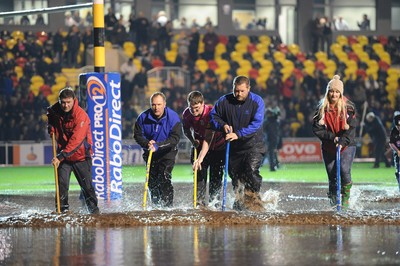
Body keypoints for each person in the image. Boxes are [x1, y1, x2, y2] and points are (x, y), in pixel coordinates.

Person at [210, 75, 266, 212]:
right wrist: (222, 126)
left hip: (253, 145)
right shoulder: (224, 101)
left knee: (251, 171)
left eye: (242, 91)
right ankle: (240, 202)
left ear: (248, 89)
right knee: (236, 178)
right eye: (236, 91)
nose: (238, 94)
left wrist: (238, 134)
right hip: (234, 148)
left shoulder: (257, 101)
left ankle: (253, 199)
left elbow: (256, 124)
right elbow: (213, 117)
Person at [46, 87, 99, 214]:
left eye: (68, 102)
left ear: (73, 100)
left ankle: (94, 213)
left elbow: (76, 140)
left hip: (81, 156)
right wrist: (51, 126)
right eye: (63, 102)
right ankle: (62, 212)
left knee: (87, 188)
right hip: (64, 157)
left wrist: (60, 156)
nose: (65, 105)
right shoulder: (54, 111)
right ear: (59, 101)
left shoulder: (81, 116)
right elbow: (50, 117)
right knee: (62, 185)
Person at [312, 75, 357, 210]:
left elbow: (352, 128)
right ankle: (333, 201)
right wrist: (332, 137)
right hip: (329, 145)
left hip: (347, 144)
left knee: (343, 170)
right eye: (332, 91)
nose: (334, 94)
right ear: (328, 92)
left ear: (341, 93)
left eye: (337, 92)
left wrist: (342, 141)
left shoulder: (348, 107)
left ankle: (346, 199)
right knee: (332, 175)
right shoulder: (321, 107)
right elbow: (317, 129)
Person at [133, 92, 181, 207]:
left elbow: (174, 139)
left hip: (167, 152)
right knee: (152, 182)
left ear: (164, 104)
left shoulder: (173, 117)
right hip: (150, 152)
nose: (156, 107)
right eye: (153, 105)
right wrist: (147, 143)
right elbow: (137, 135)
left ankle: (168, 207)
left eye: (159, 104)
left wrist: (158, 145)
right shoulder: (142, 117)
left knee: (164, 177)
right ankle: (156, 206)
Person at [182, 91, 225, 207]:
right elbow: (185, 130)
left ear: (202, 104)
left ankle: (214, 204)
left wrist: (200, 158)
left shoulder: (211, 113)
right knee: (199, 175)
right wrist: (192, 141)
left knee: (216, 177)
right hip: (200, 146)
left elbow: (208, 138)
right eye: (191, 108)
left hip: (217, 147)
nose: (194, 112)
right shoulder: (186, 114)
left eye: (196, 108)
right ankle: (199, 204)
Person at [264, 106, 282, 171]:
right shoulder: (276, 120)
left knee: (270, 152)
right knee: (273, 152)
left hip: (270, 138)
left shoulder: (267, 121)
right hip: (276, 138)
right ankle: (277, 164)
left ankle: (272, 167)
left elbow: (263, 129)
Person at [389, 112, 400, 192]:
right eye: (397, 126)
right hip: (398, 155)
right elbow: (391, 143)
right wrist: (397, 151)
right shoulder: (394, 131)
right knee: (399, 172)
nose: (399, 128)